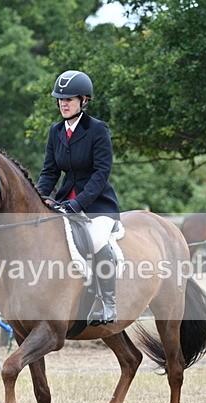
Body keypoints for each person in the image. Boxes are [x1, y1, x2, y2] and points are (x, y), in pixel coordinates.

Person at [36, 70, 121, 325]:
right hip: (64, 203)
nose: (63, 103)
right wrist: (40, 198)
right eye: (60, 99)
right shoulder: (55, 132)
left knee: (96, 240)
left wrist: (78, 203)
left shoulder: (97, 130)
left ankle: (108, 302)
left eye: (69, 99)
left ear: (84, 100)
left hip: (97, 205)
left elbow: (101, 173)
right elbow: (50, 171)